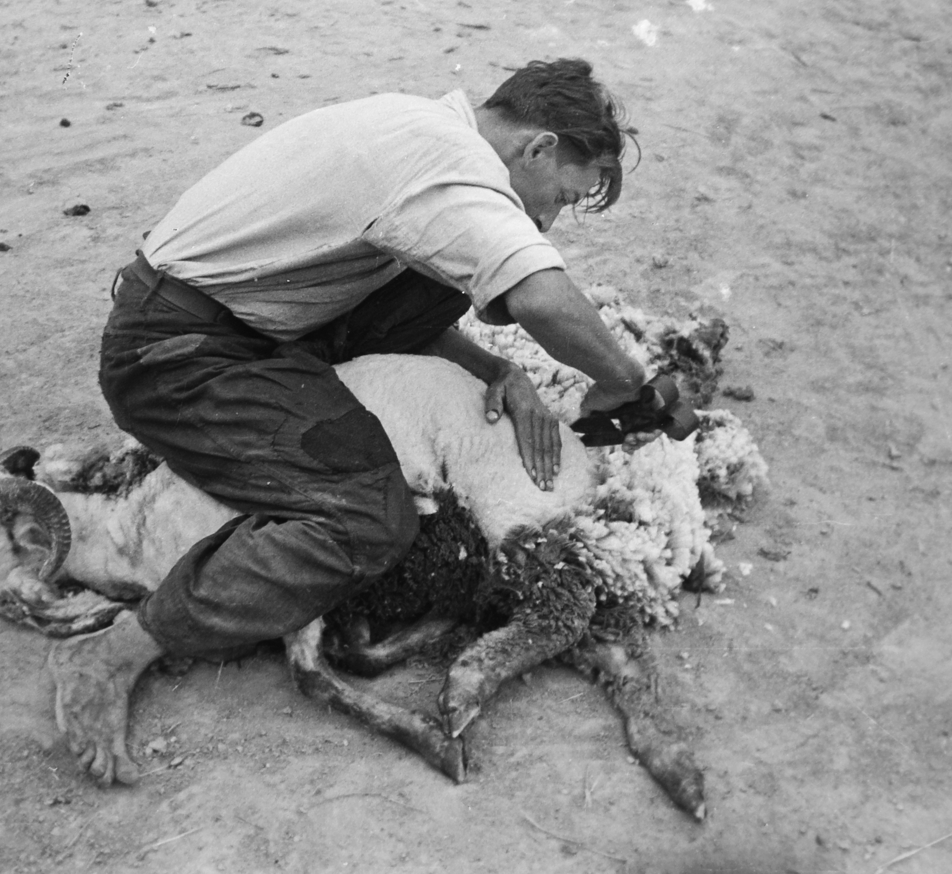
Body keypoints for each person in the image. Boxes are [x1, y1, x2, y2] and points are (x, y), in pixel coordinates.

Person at [53, 57, 650, 784]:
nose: (548, 218)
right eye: (560, 196)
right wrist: (625, 383)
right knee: (369, 516)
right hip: (176, 358)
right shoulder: (448, 163)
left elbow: (398, 313)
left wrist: (493, 369)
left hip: (244, 323)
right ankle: (120, 650)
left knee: (440, 281)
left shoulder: (421, 128)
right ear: (538, 147)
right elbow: (543, 299)